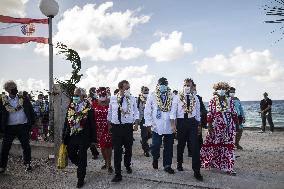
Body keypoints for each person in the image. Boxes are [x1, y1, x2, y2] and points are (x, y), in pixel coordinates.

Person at [200, 82, 239, 176]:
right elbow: (210, 114)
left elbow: (234, 113)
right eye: (219, 88)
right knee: (214, 145)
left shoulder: (230, 100)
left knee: (228, 147)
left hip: (229, 127)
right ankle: (211, 162)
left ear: (226, 90)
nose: (221, 90)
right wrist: (209, 126)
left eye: (223, 88)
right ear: (216, 90)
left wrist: (237, 124)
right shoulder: (213, 100)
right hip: (216, 127)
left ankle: (229, 167)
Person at [62, 88, 97, 188]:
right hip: (72, 135)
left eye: (77, 95)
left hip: (84, 136)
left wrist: (94, 140)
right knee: (71, 154)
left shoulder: (89, 108)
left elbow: (93, 124)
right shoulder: (71, 107)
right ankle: (82, 165)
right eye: (74, 95)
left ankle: (80, 178)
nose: (75, 97)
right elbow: (66, 122)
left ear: (82, 96)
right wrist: (63, 135)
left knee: (82, 155)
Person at [170, 78, 203, 181]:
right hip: (181, 122)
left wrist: (199, 126)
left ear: (192, 86)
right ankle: (179, 163)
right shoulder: (177, 97)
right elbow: (173, 112)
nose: (187, 87)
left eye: (189, 85)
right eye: (185, 85)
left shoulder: (195, 98)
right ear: (182, 86)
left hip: (192, 123)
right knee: (181, 145)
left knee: (195, 146)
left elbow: (197, 114)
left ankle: (196, 171)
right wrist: (173, 125)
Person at [0, 80, 35, 173]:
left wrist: (32, 123)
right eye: (12, 88)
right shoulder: (3, 101)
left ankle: (28, 164)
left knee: (26, 146)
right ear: (7, 90)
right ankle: (2, 166)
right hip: (9, 128)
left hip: (23, 126)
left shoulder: (23, 98)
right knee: (5, 148)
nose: (15, 89)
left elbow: (30, 110)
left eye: (15, 87)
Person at [107, 80, 139, 182]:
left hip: (127, 127)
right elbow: (110, 112)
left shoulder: (132, 98)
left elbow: (136, 112)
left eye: (129, 88)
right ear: (120, 88)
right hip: (116, 128)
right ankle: (118, 174)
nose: (128, 90)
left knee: (128, 149)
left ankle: (127, 165)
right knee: (117, 151)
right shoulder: (112, 98)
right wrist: (109, 124)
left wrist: (136, 123)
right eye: (126, 88)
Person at [144, 77, 175, 174]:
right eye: (161, 84)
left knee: (169, 147)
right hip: (156, 125)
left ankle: (167, 165)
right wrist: (148, 123)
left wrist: (174, 124)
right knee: (156, 145)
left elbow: (174, 110)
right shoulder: (152, 96)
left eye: (165, 84)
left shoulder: (172, 96)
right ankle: (155, 158)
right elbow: (147, 110)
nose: (163, 86)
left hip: (169, 126)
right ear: (158, 84)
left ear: (167, 85)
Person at [92, 87, 113, 173]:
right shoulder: (94, 103)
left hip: (108, 127)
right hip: (98, 129)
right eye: (100, 95)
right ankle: (106, 162)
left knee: (108, 146)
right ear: (97, 95)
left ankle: (109, 164)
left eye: (104, 94)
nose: (102, 96)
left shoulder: (111, 102)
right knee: (102, 147)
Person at [137, 86, 151, 157]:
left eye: (147, 92)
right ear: (141, 92)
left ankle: (143, 142)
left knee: (150, 135)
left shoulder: (150, 98)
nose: (146, 93)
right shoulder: (139, 99)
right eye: (145, 92)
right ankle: (146, 150)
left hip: (150, 119)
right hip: (142, 119)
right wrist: (136, 121)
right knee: (144, 135)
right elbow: (136, 110)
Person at [88, 87, 100, 159]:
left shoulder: (98, 99)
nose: (95, 92)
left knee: (97, 136)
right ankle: (95, 153)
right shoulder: (89, 99)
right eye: (94, 91)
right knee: (91, 137)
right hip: (92, 119)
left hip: (98, 119)